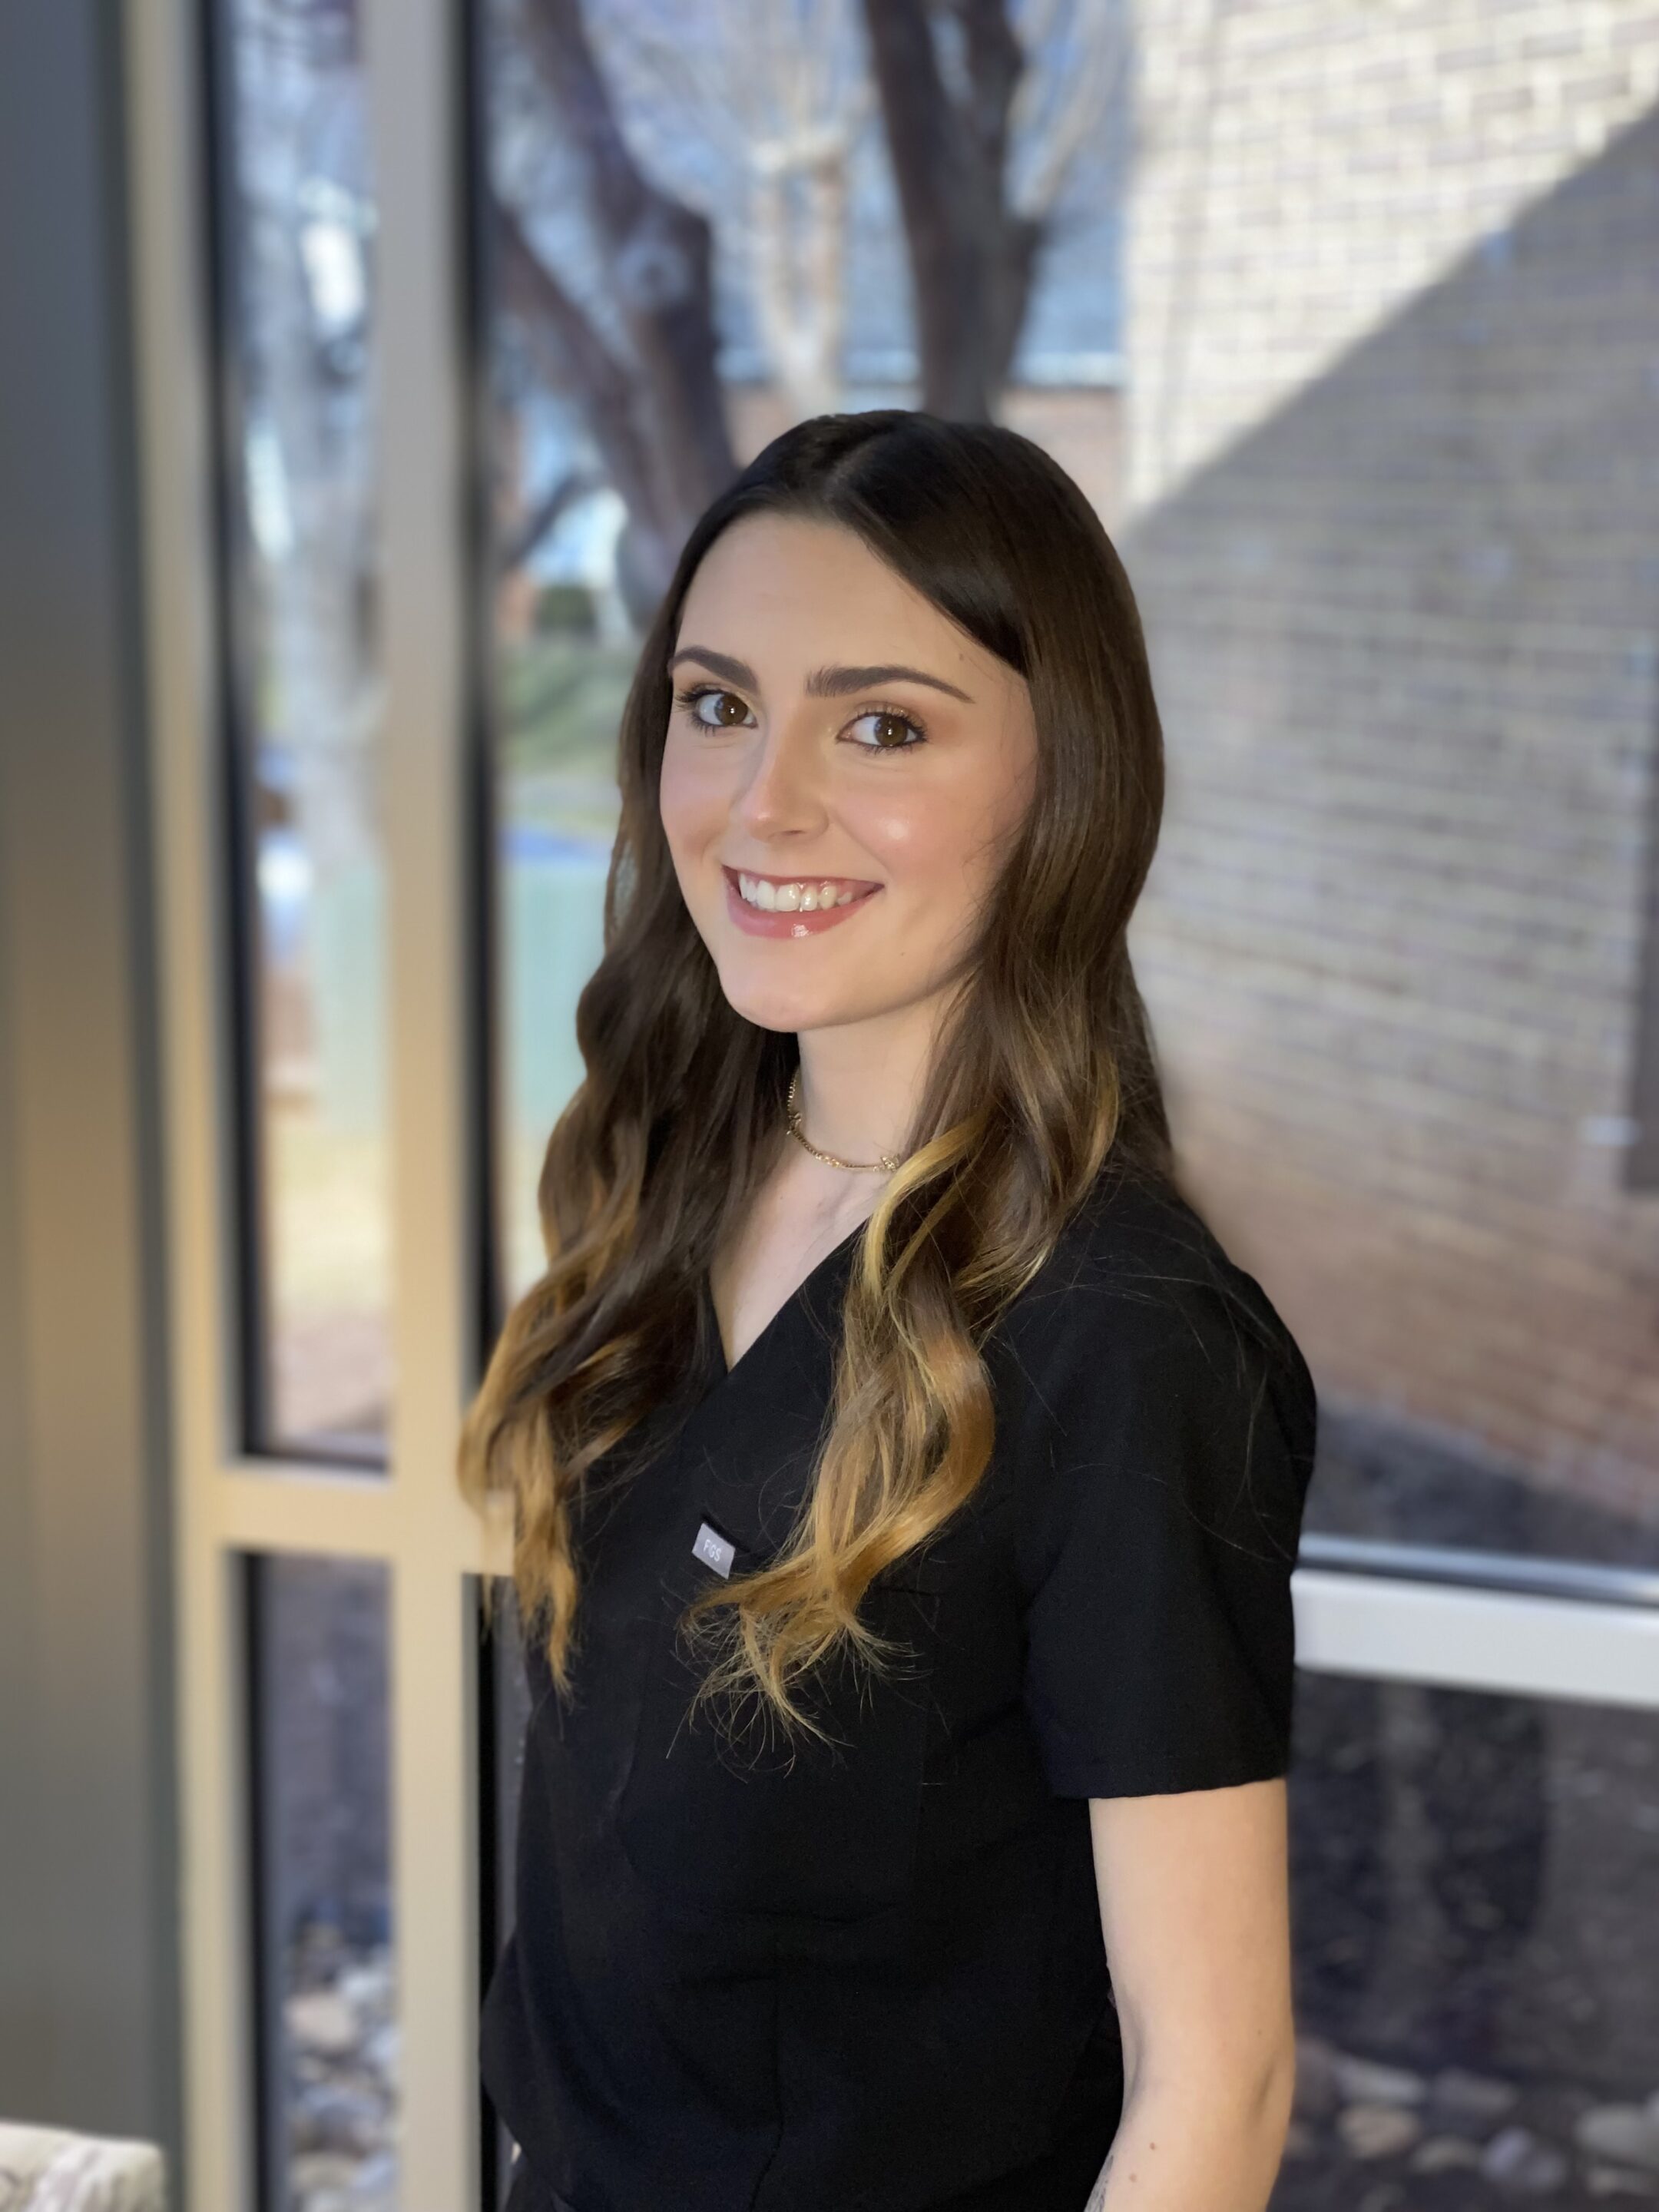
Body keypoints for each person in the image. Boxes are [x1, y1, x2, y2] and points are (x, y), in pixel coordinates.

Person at [462, 409, 1319, 2212]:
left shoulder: (1119, 1335)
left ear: (1061, 777)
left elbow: (1216, 2088)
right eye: (718, 706)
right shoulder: (669, 1189)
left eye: (882, 726)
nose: (765, 803)